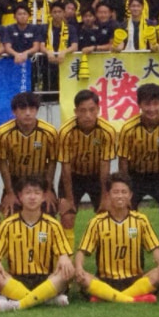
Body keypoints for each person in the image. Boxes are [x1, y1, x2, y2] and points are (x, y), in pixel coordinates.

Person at [74, 173, 159, 304]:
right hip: (106, 280)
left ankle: (107, 297)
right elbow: (82, 251)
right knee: (82, 278)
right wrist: (79, 267)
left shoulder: (140, 220)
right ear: (108, 195)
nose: (120, 196)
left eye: (124, 192)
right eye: (116, 192)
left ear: (130, 195)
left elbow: (154, 248)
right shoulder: (97, 222)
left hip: (134, 279)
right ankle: (133, 299)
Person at [0, 176, 75, 311]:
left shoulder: (53, 225)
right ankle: (44, 299)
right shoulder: (8, 224)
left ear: (44, 197)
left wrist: (64, 257)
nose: (32, 197)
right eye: (28, 193)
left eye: (37, 193)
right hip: (17, 279)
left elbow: (64, 253)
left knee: (67, 272)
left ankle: (18, 303)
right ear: (20, 196)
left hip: (45, 279)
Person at [56, 89, 117, 247]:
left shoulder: (108, 131)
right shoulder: (65, 132)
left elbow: (105, 166)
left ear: (98, 109)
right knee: (67, 216)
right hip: (73, 177)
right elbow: (65, 168)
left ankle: (105, 262)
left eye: (92, 110)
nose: (88, 115)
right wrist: (69, 199)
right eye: (83, 111)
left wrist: (105, 196)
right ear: (76, 111)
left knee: (106, 215)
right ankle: (66, 263)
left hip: (97, 177)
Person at [117, 83, 159, 216]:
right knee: (126, 213)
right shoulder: (128, 128)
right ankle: (132, 237)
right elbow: (123, 161)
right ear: (139, 105)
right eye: (147, 104)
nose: (152, 109)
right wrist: (125, 187)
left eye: (156, 104)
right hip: (135, 176)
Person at [0, 92, 59, 216]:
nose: (28, 113)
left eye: (32, 108)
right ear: (14, 111)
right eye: (23, 108)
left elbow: (52, 162)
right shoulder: (3, 133)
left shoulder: (50, 132)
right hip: (15, 180)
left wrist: (48, 190)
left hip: (40, 179)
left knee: (48, 213)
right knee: (10, 214)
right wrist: (9, 193)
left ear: (37, 110)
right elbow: (3, 163)